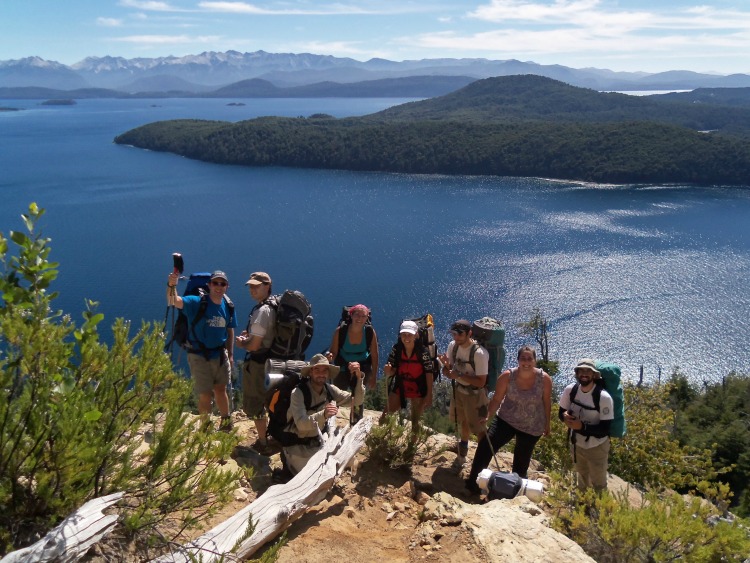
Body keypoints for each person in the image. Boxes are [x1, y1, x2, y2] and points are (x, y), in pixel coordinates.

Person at [466, 345, 552, 495]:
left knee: (521, 462)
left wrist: (547, 423)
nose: (526, 362)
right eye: (523, 358)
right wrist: (488, 415)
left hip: (532, 425)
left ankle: (513, 492)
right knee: (486, 446)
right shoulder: (507, 376)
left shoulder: (544, 379)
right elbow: (497, 399)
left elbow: (546, 402)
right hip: (507, 419)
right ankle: (473, 482)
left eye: (529, 358)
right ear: (518, 360)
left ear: (535, 361)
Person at [166, 270, 236, 430]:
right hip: (198, 356)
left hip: (219, 354)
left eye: (222, 283)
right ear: (209, 285)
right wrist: (172, 284)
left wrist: (230, 354)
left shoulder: (228, 305)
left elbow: (230, 329)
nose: (219, 286)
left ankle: (226, 422)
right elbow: (173, 301)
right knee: (205, 393)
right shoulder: (196, 302)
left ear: (227, 286)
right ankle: (205, 426)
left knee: (221, 389)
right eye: (215, 283)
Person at [283, 354, 365, 475]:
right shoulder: (298, 393)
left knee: (344, 460)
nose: (321, 374)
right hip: (297, 446)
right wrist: (324, 415)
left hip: (318, 442)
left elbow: (356, 400)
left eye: (325, 370)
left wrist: (358, 378)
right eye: (317, 370)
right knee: (317, 472)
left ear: (328, 373)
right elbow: (301, 424)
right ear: (310, 372)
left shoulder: (330, 390)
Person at [559, 358, 614, 492]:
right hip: (576, 444)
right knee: (581, 481)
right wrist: (565, 417)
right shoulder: (570, 390)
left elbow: (605, 429)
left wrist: (582, 427)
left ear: (594, 375)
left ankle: (602, 512)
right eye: (581, 370)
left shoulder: (603, 397)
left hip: (597, 447)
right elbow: (560, 413)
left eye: (588, 371)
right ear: (577, 373)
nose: (584, 374)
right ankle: (583, 509)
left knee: (599, 485)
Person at [235, 271, 276, 451]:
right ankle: (276, 436)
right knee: (273, 401)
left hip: (259, 365)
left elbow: (254, 346)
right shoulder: (274, 305)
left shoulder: (262, 311)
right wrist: (251, 337)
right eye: (250, 286)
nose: (252, 290)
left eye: (256, 286)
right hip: (274, 361)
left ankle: (263, 441)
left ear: (267, 286)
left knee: (257, 404)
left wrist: (242, 343)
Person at [439, 319, 490, 461]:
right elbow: (449, 370)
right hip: (460, 390)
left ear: (469, 334)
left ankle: (482, 460)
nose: (456, 338)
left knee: (480, 429)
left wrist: (459, 375)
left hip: (476, 395)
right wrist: (446, 368)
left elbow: (481, 382)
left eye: (460, 335)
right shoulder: (453, 346)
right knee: (463, 422)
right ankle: (462, 452)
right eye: (454, 334)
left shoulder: (479, 353)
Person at [325, 304, 379, 421]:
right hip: (343, 366)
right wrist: (330, 357)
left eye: (363, 316)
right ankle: (330, 419)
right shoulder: (341, 331)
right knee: (336, 393)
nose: (359, 318)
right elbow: (333, 351)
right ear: (351, 315)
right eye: (357, 315)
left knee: (358, 396)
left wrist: (374, 376)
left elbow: (374, 355)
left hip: (362, 367)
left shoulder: (370, 332)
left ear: (367, 318)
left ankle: (355, 421)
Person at [383, 320, 434, 428]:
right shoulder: (397, 349)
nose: (406, 338)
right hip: (400, 386)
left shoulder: (423, 352)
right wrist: (388, 371)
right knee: (385, 416)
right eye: (403, 334)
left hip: (418, 388)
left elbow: (429, 373)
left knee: (415, 421)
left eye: (409, 334)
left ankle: (412, 444)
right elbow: (393, 370)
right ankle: (382, 439)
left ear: (416, 335)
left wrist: (429, 394)